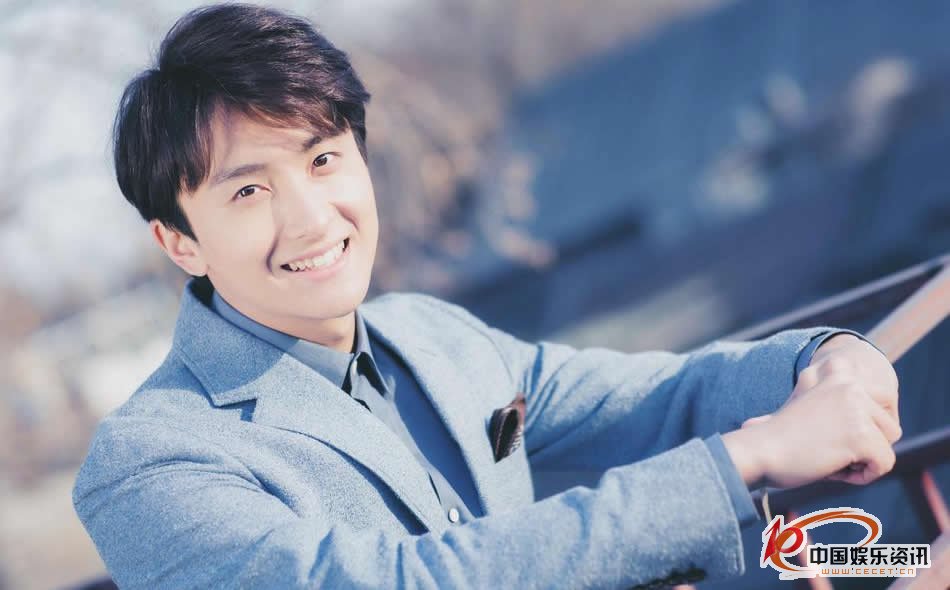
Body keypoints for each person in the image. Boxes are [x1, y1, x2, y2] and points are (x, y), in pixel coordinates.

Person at [71, 4, 901, 589]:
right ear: (180, 242)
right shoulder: (149, 462)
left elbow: (661, 395)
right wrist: (746, 459)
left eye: (323, 160)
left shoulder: (431, 336)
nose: (312, 219)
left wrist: (825, 361)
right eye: (249, 191)